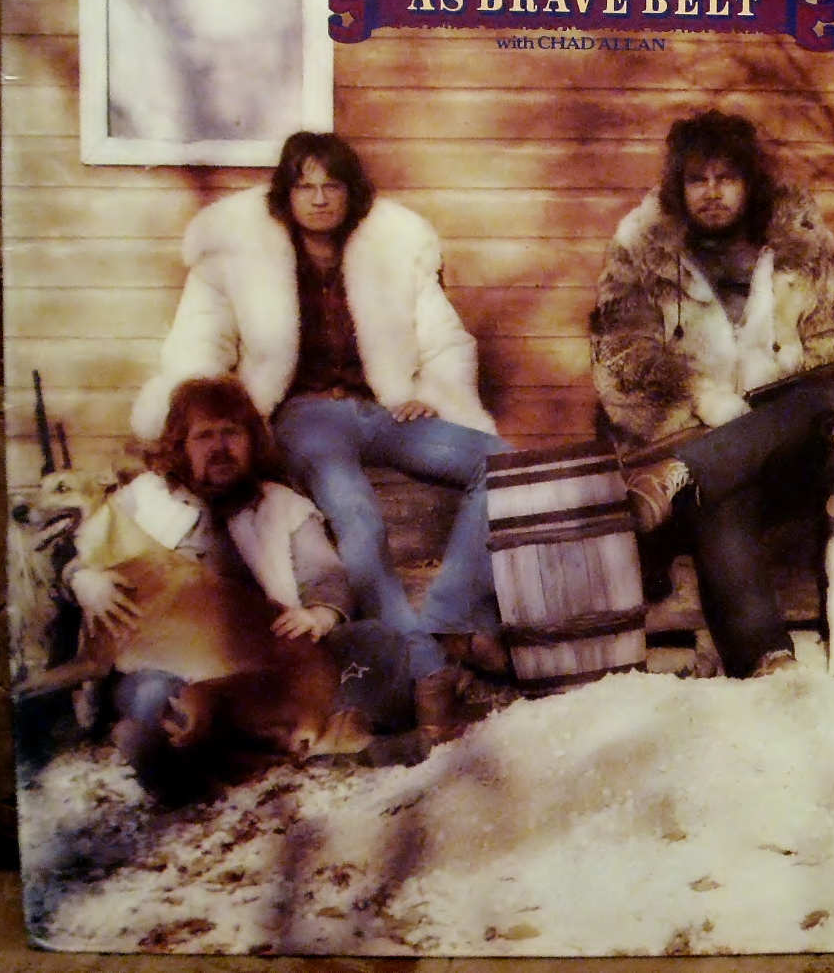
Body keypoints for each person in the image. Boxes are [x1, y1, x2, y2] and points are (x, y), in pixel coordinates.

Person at [131, 132, 509, 679]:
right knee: (355, 512)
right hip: (305, 416)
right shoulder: (242, 252)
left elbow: (444, 340)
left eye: (332, 186)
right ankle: (421, 663)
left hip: (384, 409)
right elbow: (201, 343)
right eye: (305, 187)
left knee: (505, 465)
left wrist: (429, 393)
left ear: (351, 193)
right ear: (285, 195)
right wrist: (209, 415)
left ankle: (450, 616)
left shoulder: (393, 246)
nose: (319, 199)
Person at [590, 109, 834, 678]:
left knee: (826, 399)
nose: (712, 192)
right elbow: (622, 360)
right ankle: (767, 657)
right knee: (721, 489)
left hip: (794, 457)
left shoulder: (799, 245)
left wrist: (785, 395)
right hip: (693, 439)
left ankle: (684, 472)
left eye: (726, 177)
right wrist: (702, 400)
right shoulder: (642, 250)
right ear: (678, 186)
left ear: (750, 181)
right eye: (697, 179)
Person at [71, 378, 460, 798]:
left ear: (251, 441)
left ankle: (233, 756)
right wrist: (82, 580)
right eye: (204, 436)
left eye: (231, 433)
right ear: (181, 445)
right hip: (181, 666)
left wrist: (321, 613)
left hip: (276, 663)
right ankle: (299, 750)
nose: (220, 447)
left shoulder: (282, 504)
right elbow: (89, 546)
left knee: (378, 643)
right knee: (149, 695)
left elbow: (327, 576)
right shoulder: (145, 498)